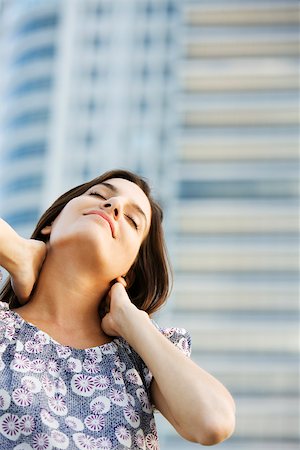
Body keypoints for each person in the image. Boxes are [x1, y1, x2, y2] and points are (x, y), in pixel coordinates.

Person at [0, 169, 235, 450]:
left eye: (132, 220)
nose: (113, 206)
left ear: (130, 271)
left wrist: (132, 321)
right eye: (99, 195)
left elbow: (213, 422)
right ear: (52, 222)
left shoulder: (137, 362)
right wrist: (17, 251)